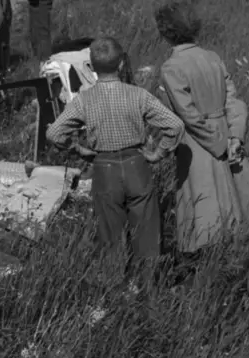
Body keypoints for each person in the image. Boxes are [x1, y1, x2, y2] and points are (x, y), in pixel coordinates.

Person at [45, 37, 184, 278]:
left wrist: (77, 149)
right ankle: (147, 287)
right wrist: (159, 153)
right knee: (147, 235)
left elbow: (54, 132)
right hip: (136, 165)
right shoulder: (138, 95)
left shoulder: (84, 100)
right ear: (121, 64)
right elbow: (175, 125)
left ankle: (116, 288)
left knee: (110, 236)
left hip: (104, 168)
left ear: (92, 67)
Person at [155, 1, 249, 254]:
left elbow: (187, 115)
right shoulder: (212, 58)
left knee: (203, 200)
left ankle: (205, 257)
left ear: (165, 32)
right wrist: (235, 137)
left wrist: (219, 145)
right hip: (223, 129)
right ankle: (233, 250)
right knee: (233, 198)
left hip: (197, 141)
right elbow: (233, 101)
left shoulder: (171, 67)